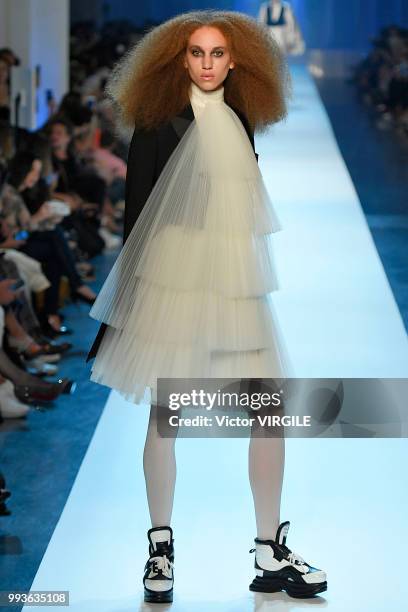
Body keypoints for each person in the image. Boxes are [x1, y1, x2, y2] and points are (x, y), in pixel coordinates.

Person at [87, 10, 327, 603]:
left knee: (267, 408)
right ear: (180, 59)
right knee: (167, 413)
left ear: (235, 60)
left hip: (235, 279)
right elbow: (136, 217)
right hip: (176, 276)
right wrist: (132, 299)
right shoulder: (156, 122)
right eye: (197, 53)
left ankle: (269, 550)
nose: (208, 64)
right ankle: (161, 551)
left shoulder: (241, 118)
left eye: (218, 54)